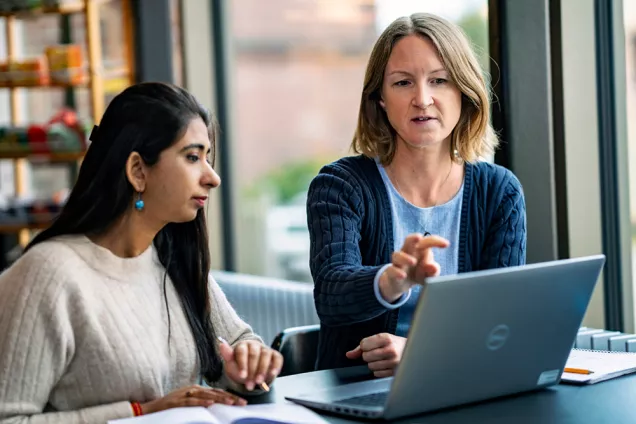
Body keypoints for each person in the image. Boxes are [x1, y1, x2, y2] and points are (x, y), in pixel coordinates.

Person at [0, 82, 283, 423]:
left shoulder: (172, 258)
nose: (213, 178)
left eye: (207, 157)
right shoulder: (48, 274)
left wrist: (249, 366)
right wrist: (139, 413)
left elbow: (238, 342)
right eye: (192, 157)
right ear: (137, 170)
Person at [307, 13, 526, 374]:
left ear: (464, 93)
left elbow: (500, 321)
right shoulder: (340, 185)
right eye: (403, 83)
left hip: (463, 384)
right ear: (379, 98)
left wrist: (420, 353)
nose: (422, 99)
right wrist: (394, 278)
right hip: (360, 392)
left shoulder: (499, 191)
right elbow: (331, 296)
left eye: (439, 81)